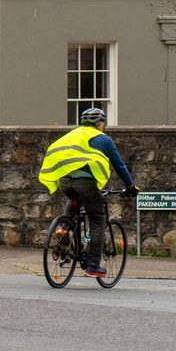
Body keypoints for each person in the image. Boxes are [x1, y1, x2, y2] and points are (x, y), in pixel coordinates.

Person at [38, 107, 137, 277]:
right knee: (98, 220)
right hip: (86, 183)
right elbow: (119, 166)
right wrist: (130, 187)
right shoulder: (103, 139)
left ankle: (63, 228)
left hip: (65, 181)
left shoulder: (72, 135)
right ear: (100, 124)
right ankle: (92, 266)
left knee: (75, 201)